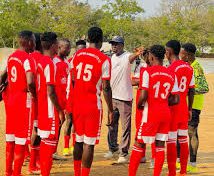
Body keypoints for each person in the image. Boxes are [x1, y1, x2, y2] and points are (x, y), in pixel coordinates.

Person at [68, 27, 114, 176]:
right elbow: (106, 88)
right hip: (92, 105)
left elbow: (73, 79)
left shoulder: (77, 55)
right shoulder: (104, 59)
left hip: (77, 103)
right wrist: (111, 110)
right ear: (101, 41)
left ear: (88, 39)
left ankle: (76, 173)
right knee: (89, 143)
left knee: (78, 141)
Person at [129, 45, 179, 176]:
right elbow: (176, 99)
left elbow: (143, 95)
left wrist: (140, 105)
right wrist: (162, 102)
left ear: (151, 56)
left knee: (139, 143)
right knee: (160, 145)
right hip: (165, 113)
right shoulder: (171, 73)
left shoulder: (147, 72)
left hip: (151, 113)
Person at [104, 36, 144, 163]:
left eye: (116, 44)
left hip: (125, 97)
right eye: (113, 44)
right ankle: (112, 148)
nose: (114, 46)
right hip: (112, 96)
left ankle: (123, 153)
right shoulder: (112, 57)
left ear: (122, 45)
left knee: (125, 127)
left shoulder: (127, 56)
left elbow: (131, 58)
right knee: (111, 124)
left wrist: (137, 53)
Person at [4, 30, 36, 176]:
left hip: (11, 100)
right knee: (21, 140)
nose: (35, 44)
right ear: (29, 42)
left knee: (10, 138)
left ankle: (8, 171)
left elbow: (3, 76)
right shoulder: (27, 59)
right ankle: (16, 173)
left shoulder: (11, 57)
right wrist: (34, 95)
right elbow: (30, 81)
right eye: (34, 41)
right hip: (23, 101)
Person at [37, 32, 64, 176]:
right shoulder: (50, 64)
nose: (58, 47)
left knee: (44, 141)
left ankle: (43, 172)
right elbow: (51, 91)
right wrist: (59, 110)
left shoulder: (41, 61)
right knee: (49, 142)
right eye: (57, 45)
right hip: (49, 109)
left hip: (42, 107)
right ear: (53, 46)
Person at [165, 40, 195, 176]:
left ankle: (172, 172)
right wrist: (190, 109)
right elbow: (191, 90)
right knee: (183, 140)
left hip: (172, 109)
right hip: (183, 108)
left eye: (166, 51)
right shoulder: (189, 67)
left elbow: (168, 93)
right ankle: (183, 171)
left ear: (169, 52)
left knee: (171, 141)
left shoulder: (170, 69)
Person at [179, 43, 209, 173]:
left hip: (194, 106)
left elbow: (204, 88)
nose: (180, 55)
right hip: (184, 105)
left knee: (192, 133)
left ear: (189, 55)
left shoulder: (196, 68)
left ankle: (193, 163)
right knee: (181, 133)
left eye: (183, 53)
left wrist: (188, 91)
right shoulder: (187, 66)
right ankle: (180, 161)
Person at [63, 39, 86, 156]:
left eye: (82, 50)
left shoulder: (87, 62)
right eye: (78, 50)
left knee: (77, 122)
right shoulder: (70, 61)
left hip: (81, 98)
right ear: (75, 50)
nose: (80, 52)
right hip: (70, 96)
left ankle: (73, 145)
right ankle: (66, 146)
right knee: (69, 121)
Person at [52, 38, 71, 158]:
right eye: (67, 47)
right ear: (59, 47)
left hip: (64, 100)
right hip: (54, 101)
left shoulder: (67, 62)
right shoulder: (53, 61)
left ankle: (53, 151)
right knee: (53, 127)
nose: (69, 50)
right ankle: (49, 151)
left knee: (59, 125)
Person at [28, 32, 43, 174]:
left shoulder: (30, 57)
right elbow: (30, 81)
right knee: (36, 130)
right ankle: (32, 164)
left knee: (36, 130)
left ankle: (35, 160)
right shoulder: (37, 58)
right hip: (36, 99)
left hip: (33, 99)